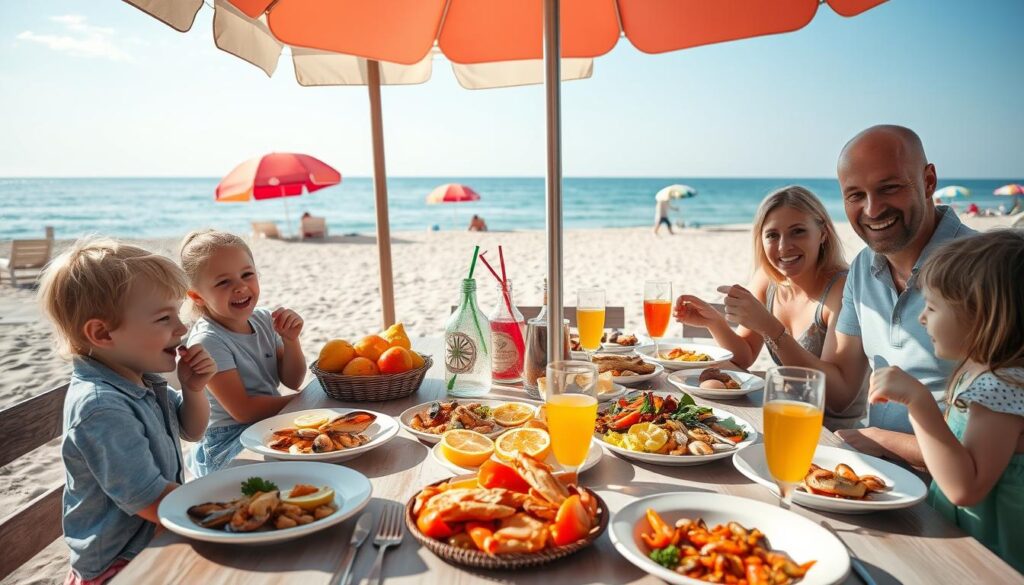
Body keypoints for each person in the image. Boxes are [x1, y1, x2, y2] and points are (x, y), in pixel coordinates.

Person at [785, 125, 976, 463]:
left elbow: (1004, 442)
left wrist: (885, 442)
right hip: (880, 482)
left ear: (929, 181)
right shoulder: (862, 268)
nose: (872, 210)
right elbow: (841, 392)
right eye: (855, 195)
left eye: (889, 188)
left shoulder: (990, 268)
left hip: (957, 505)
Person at [37, 238, 215, 585]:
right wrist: (227, 505)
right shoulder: (101, 407)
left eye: (177, 314)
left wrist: (193, 389)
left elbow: (192, 430)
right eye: (165, 318)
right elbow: (150, 500)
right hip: (120, 566)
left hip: (157, 536)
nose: (181, 329)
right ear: (102, 333)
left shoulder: (142, 379)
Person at [868, 230, 1024, 571]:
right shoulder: (975, 372)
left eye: (932, 307)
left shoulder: (1002, 387)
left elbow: (964, 489)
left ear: (979, 315)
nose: (922, 318)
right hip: (959, 544)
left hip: (993, 562)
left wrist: (918, 402)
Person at [673, 186, 848, 385]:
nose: (784, 247)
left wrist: (770, 327)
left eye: (798, 231)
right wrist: (714, 322)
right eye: (772, 235)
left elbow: (837, 392)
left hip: (829, 415)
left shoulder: (841, 289)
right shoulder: (767, 279)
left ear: (823, 233)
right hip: (784, 407)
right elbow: (744, 357)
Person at [179, 230, 307, 477]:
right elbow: (244, 410)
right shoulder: (209, 340)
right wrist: (304, 401)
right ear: (197, 296)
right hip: (228, 440)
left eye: (247, 275)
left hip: (266, 423)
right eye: (223, 282)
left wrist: (291, 341)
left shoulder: (262, 319)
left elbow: (293, 380)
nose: (240, 287)